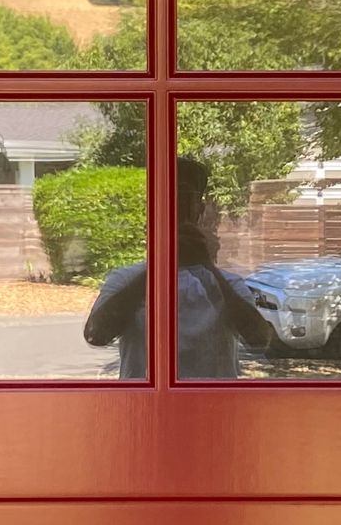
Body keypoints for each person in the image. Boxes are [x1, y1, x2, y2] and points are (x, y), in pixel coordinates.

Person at [84, 157, 275, 381]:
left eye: (183, 198)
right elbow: (96, 334)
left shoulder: (230, 284)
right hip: (150, 412)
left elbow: (259, 339)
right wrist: (161, 263)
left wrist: (205, 265)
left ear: (199, 209)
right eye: (168, 198)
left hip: (211, 412)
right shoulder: (124, 280)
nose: (175, 205)